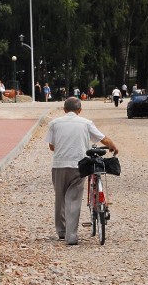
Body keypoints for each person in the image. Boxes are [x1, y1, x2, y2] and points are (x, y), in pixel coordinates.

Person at [45, 97, 119, 245]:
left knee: (60, 197)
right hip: (78, 166)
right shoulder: (86, 123)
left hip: (59, 165)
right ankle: (71, 236)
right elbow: (103, 139)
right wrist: (113, 146)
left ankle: (61, 231)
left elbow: (52, 147)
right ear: (80, 110)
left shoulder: (54, 123)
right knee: (73, 199)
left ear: (64, 109)